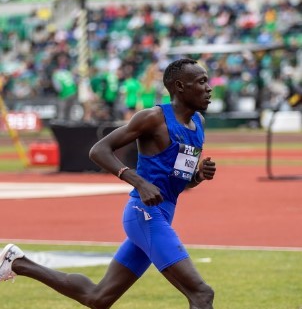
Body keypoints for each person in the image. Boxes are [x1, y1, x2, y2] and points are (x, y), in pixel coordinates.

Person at [0, 58, 216, 309]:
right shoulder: (153, 118)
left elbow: (180, 180)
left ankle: (18, 262)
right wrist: (138, 181)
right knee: (202, 294)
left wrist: (198, 176)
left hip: (163, 214)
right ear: (180, 86)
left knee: (98, 298)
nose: (209, 87)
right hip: (144, 214)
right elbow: (99, 150)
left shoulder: (198, 124)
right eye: (201, 82)